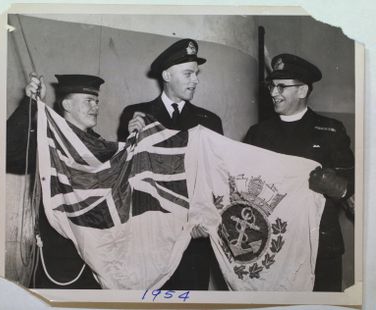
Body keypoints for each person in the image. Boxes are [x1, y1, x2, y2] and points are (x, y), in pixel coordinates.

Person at [117, 38, 224, 290]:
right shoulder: (138, 114)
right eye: (188, 73)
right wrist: (129, 136)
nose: (195, 80)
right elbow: (125, 174)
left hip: (193, 236)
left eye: (196, 74)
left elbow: (215, 179)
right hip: (150, 235)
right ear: (167, 75)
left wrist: (206, 219)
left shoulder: (209, 121)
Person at [244, 53, 354, 291]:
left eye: (281, 86)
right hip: (274, 243)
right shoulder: (258, 133)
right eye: (271, 86)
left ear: (302, 91)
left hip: (320, 245)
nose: (273, 93)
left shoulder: (331, 131)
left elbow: (353, 184)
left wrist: (340, 186)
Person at [7, 74, 119, 289]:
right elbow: (9, 152)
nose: (95, 106)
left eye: (97, 101)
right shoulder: (46, 140)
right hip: (57, 256)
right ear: (67, 104)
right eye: (88, 101)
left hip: (97, 257)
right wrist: (29, 104)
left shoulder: (100, 148)